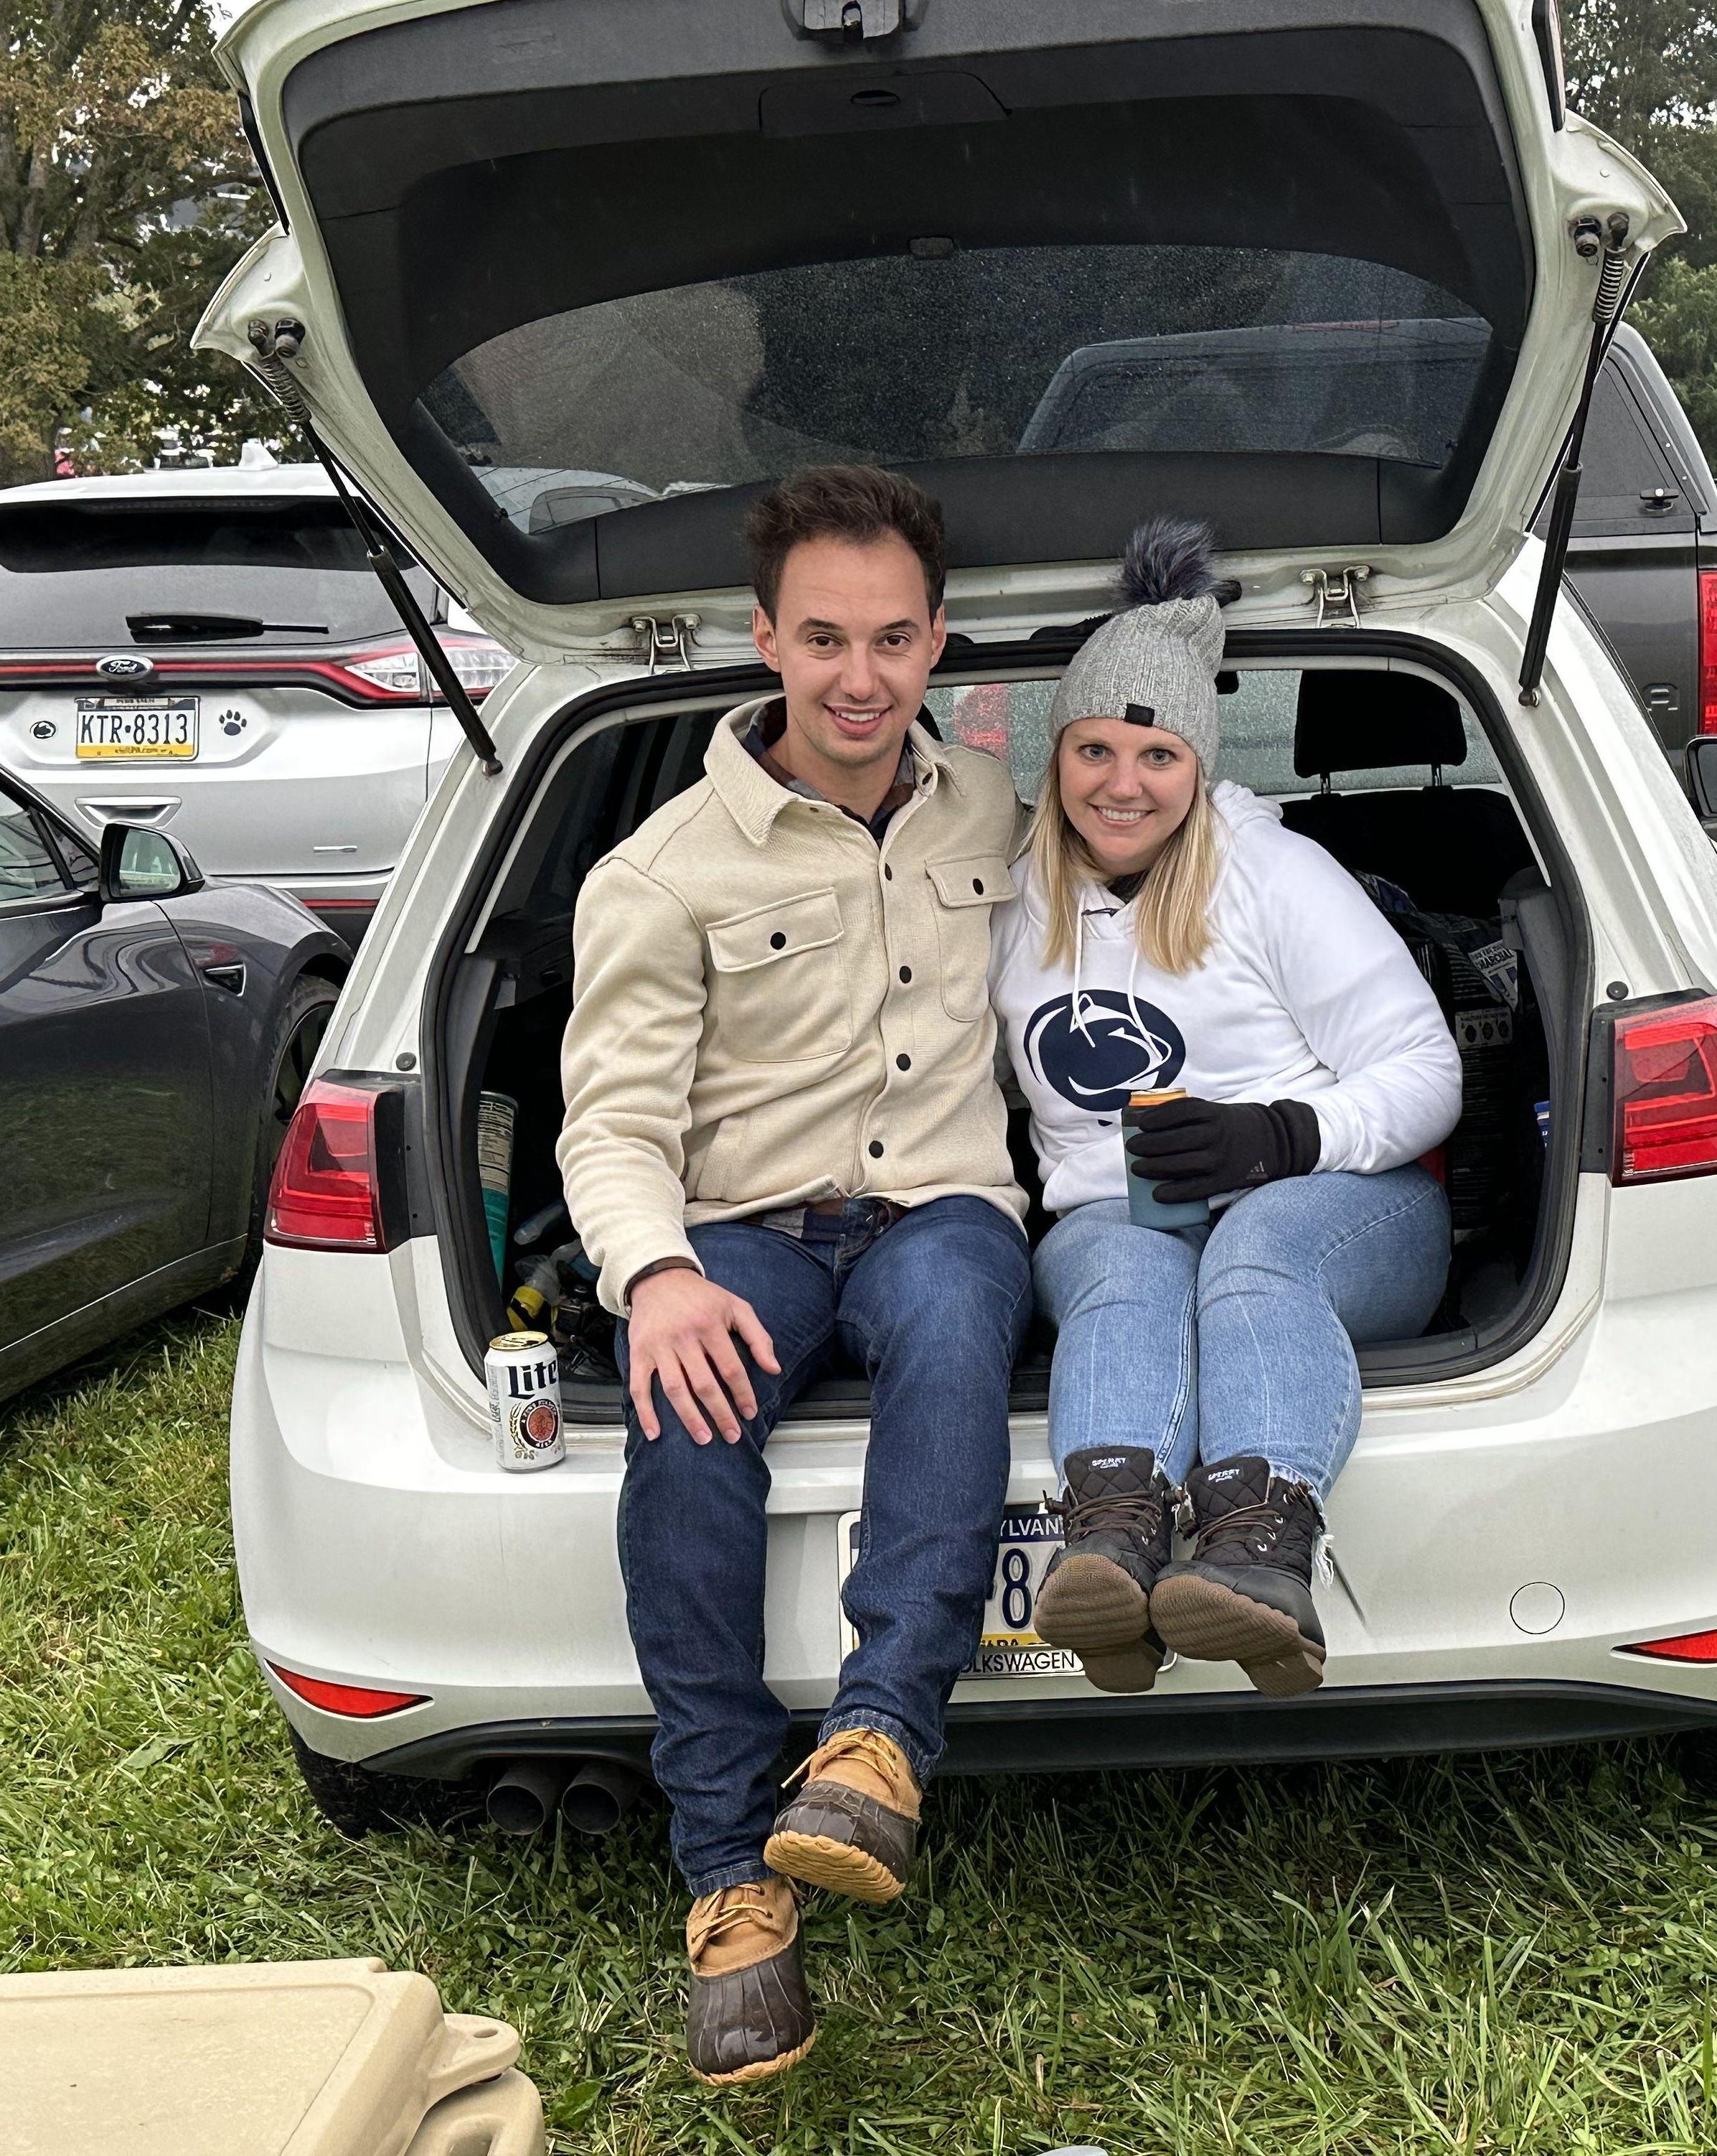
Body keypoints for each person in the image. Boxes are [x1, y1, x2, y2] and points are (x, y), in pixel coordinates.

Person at [557, 465, 1030, 2085]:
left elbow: (1147, 871)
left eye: (892, 639)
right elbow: (612, 1120)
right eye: (823, 638)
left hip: (944, 1205)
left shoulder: (992, 808)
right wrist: (655, 1276)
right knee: (683, 1413)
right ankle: (727, 1876)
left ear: (937, 641)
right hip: (743, 1229)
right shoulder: (660, 872)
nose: (858, 677)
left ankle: (878, 1743)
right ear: (762, 638)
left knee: (958, 1322)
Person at [990, 519, 1462, 1700]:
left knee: (1255, 1254)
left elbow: (1427, 1071)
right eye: (1096, 750)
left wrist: (1282, 1136)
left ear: (1198, 762)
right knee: (1116, 1264)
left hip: (1338, 1202)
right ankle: (1112, 1554)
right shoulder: (1011, 900)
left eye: (1157, 755)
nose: (1123, 784)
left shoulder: (1273, 874)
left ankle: (1259, 1562)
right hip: (1125, 1214)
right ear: (1057, 757)